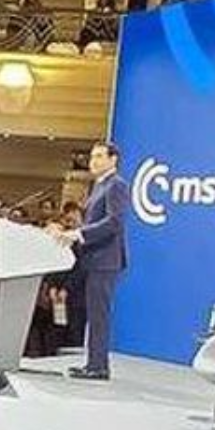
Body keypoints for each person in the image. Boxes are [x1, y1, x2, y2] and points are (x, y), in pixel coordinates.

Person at [60, 142, 129, 380]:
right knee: (94, 314)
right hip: (93, 258)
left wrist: (80, 234)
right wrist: (68, 233)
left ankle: (98, 366)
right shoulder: (99, 185)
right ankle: (93, 363)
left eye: (99, 156)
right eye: (92, 157)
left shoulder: (116, 185)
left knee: (99, 315)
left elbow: (114, 222)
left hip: (105, 260)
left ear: (113, 159)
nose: (93, 161)